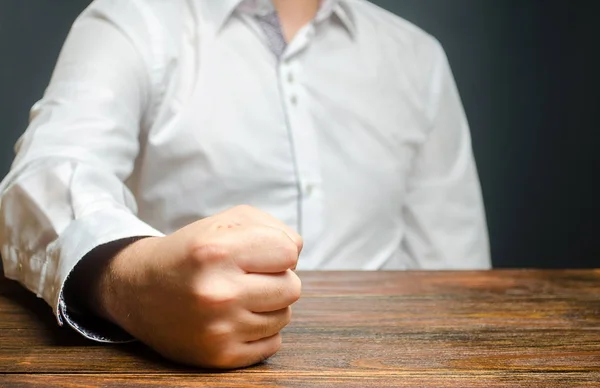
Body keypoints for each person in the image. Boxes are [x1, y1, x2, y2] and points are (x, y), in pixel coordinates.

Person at [0, 0, 490, 369]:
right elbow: (47, 174)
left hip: (390, 368)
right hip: (197, 373)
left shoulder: (418, 57)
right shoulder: (134, 20)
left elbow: (457, 273)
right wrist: (131, 278)